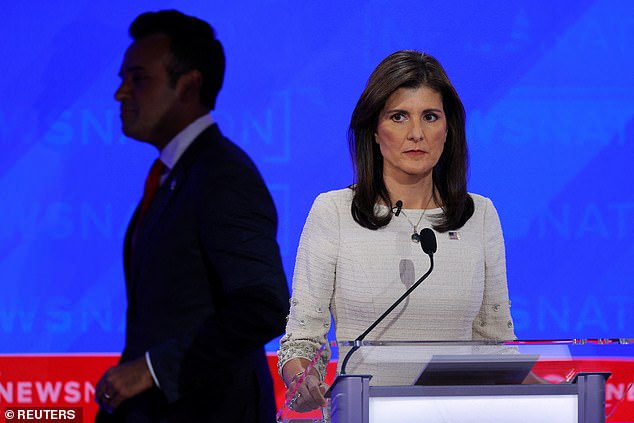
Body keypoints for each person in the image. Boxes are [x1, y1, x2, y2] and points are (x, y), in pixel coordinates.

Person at [277, 50, 517, 413]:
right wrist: (301, 378)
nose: (416, 133)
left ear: (448, 129)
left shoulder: (480, 215)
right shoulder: (334, 213)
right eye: (399, 116)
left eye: (430, 117)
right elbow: (301, 341)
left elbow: (495, 344)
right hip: (363, 414)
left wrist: (567, 394)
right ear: (375, 129)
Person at [94, 10, 290, 423]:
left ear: (189, 86)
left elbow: (263, 305)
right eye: (122, 79)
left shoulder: (222, 174)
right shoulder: (179, 175)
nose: (121, 93)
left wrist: (151, 369)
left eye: (138, 78)